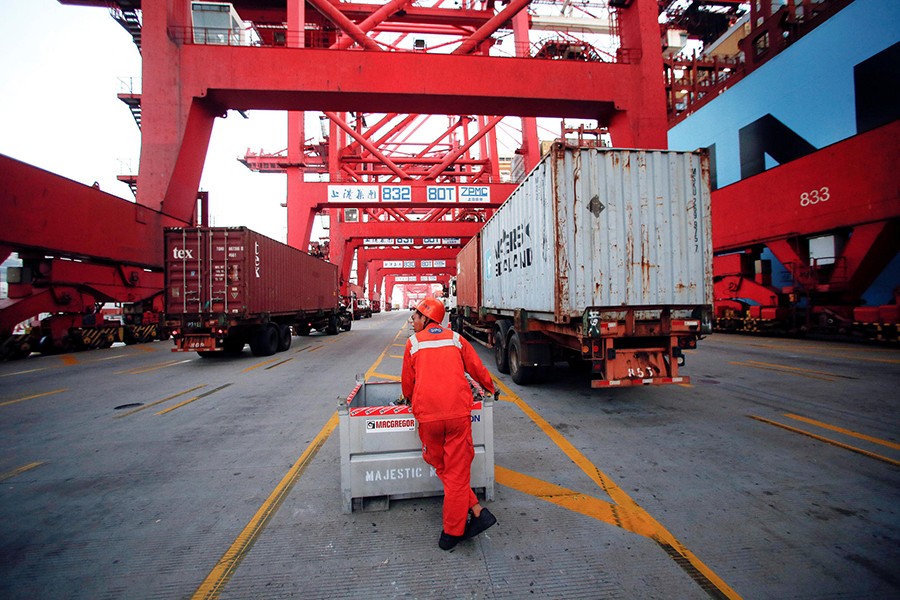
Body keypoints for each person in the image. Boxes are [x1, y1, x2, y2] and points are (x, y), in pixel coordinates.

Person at [401, 297, 498, 550]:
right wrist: (491, 387)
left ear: (427, 319)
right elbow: (477, 367)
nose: (413, 322)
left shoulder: (412, 344)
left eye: (416, 317)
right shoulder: (456, 339)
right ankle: (475, 510)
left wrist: (412, 401)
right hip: (457, 416)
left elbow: (407, 383)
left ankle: (452, 534)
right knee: (454, 472)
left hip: (428, 419)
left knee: (439, 463)